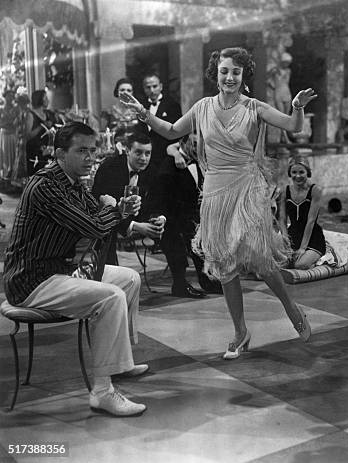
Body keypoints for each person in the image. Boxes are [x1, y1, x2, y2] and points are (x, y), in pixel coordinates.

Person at [120, 47, 317, 359]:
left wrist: (296, 106)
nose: (230, 77)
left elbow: (293, 126)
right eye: (225, 71)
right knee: (224, 265)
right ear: (216, 74)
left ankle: (292, 310)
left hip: (246, 188)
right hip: (214, 192)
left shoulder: (254, 107)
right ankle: (240, 331)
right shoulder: (202, 108)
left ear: (242, 76)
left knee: (259, 256)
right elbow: (171, 131)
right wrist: (144, 113)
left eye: (236, 72)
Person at [3, 122, 148, 416]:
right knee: (110, 296)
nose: (90, 157)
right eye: (81, 151)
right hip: (31, 280)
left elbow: (96, 215)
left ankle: (120, 363)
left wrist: (120, 208)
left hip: (59, 271)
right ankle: (103, 391)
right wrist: (113, 209)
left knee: (129, 279)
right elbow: (93, 225)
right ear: (59, 153)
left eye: (92, 151)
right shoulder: (46, 186)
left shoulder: (72, 182)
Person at [91, 132, 204, 297]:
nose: (143, 158)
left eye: (147, 153)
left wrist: (159, 219)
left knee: (170, 227)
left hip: (139, 213)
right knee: (105, 233)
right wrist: (134, 226)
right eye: (138, 152)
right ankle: (109, 287)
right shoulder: (110, 167)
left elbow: (159, 201)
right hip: (111, 215)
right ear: (128, 150)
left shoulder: (152, 171)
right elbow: (100, 205)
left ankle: (180, 284)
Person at [158, 134, 224, 294]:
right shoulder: (169, 165)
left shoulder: (198, 160)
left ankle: (208, 278)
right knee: (186, 236)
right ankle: (181, 284)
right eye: (194, 144)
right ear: (182, 142)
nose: (197, 148)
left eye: (200, 145)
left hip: (194, 215)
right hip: (172, 218)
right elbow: (165, 201)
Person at [278, 156, 326, 270]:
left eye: (301, 172)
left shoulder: (315, 190)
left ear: (307, 172)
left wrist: (302, 248)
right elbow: (282, 218)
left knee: (300, 265)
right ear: (290, 173)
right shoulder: (285, 191)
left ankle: (321, 257)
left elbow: (311, 221)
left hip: (313, 237)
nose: (297, 176)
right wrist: (285, 238)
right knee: (282, 263)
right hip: (292, 235)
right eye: (294, 172)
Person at [137, 73, 182, 171]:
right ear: (144, 89)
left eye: (155, 86)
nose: (152, 90)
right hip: (146, 158)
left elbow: (177, 132)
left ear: (160, 87)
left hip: (165, 156)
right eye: (148, 87)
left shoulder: (172, 105)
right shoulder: (141, 107)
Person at [25, 89, 59, 175]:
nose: (48, 100)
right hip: (35, 153)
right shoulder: (30, 115)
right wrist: (41, 126)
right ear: (39, 99)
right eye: (45, 98)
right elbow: (28, 136)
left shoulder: (47, 114)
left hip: (47, 151)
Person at [0, 89, 18, 179]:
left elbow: (19, 122)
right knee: (5, 154)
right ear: (5, 96)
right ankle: (6, 174)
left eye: (12, 96)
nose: (10, 98)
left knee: (14, 154)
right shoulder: (1, 109)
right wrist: (5, 123)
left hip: (13, 134)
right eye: (8, 96)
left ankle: (13, 174)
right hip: (4, 134)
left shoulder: (16, 109)